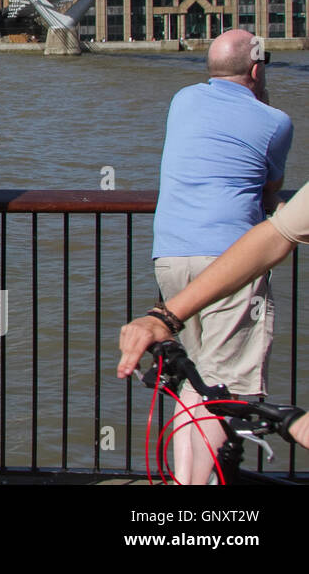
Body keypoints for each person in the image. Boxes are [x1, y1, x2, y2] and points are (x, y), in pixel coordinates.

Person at [147, 28, 291, 484]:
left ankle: (185, 480)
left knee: (194, 378)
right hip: (232, 260)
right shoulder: (275, 121)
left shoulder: (182, 101)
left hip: (171, 256)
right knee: (226, 385)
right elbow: (269, 191)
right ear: (256, 69)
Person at [118, 182, 309, 449]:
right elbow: (276, 235)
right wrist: (165, 317)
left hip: (173, 252)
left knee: (209, 385)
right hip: (212, 250)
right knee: (214, 385)